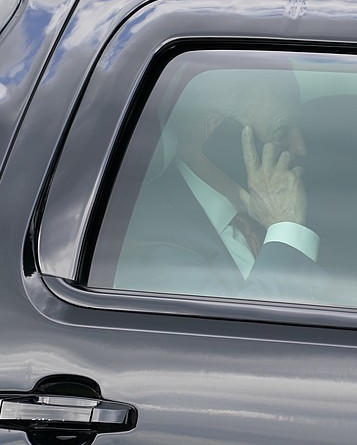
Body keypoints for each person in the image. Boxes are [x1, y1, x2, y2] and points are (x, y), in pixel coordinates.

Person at [113, 69, 329, 303]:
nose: (300, 148)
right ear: (218, 133)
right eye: (281, 132)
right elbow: (243, 334)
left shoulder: (297, 197)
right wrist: (286, 227)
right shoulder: (148, 234)